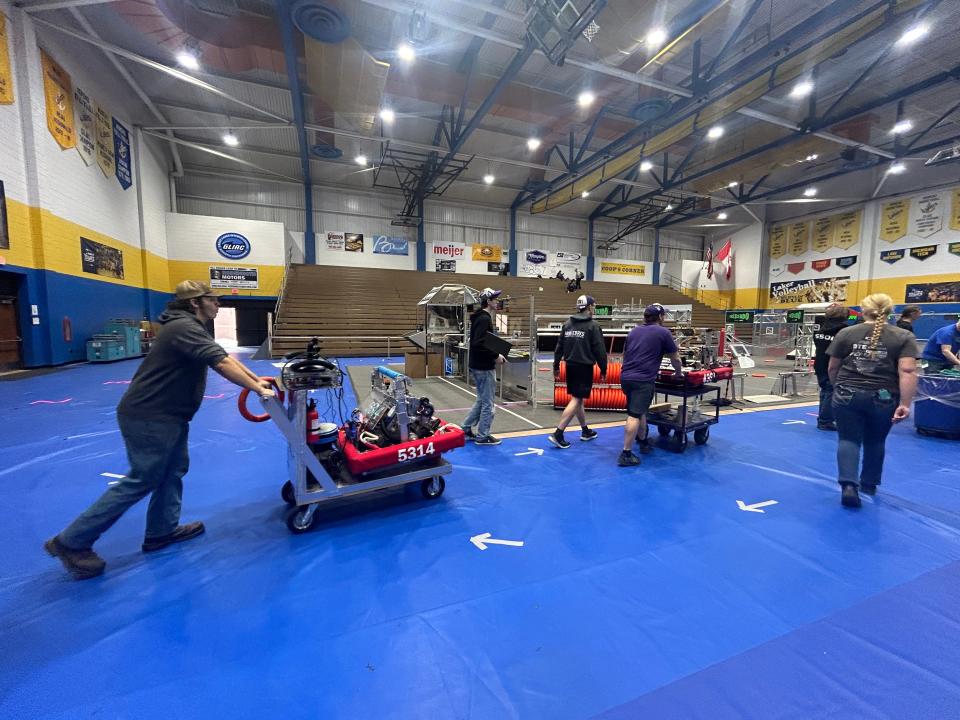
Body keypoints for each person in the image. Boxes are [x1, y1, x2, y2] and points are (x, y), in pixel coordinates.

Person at [45, 281, 277, 579]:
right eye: (213, 299)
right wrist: (257, 389)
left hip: (168, 415)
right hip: (150, 415)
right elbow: (219, 363)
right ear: (195, 303)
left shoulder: (186, 325)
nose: (217, 304)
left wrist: (257, 379)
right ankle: (71, 541)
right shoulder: (183, 327)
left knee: (173, 470)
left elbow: (224, 357)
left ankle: (161, 531)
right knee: (144, 477)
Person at [826, 293, 918, 508]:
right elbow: (907, 370)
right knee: (876, 441)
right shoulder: (903, 336)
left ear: (862, 309)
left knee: (848, 440)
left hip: (847, 393)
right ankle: (869, 483)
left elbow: (833, 367)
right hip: (883, 396)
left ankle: (849, 485)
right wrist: (905, 403)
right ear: (890, 311)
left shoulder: (846, 333)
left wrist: (836, 386)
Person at [617, 304, 683, 466]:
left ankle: (643, 440)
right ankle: (626, 453)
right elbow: (675, 358)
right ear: (660, 317)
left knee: (640, 411)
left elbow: (625, 354)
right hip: (642, 380)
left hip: (626, 377)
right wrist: (678, 372)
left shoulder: (633, 331)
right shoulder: (663, 332)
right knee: (634, 415)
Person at [549, 295, 607, 449]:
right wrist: (604, 368)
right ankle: (558, 433)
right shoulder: (593, 326)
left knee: (578, 398)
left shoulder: (567, 324)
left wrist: (556, 366)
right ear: (589, 307)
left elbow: (558, 348)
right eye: (594, 306)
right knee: (576, 399)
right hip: (583, 367)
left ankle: (585, 430)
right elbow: (600, 350)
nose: (594, 309)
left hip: (570, 366)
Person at [463, 287, 506, 446]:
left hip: (477, 365)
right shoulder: (484, 319)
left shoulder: (480, 317)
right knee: (488, 403)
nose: (497, 301)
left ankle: (466, 428)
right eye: (495, 298)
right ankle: (483, 436)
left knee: (482, 400)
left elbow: (481, 342)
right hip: (484, 367)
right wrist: (496, 356)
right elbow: (479, 343)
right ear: (488, 301)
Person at [812, 304, 848, 431]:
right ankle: (825, 421)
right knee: (830, 390)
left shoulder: (819, 327)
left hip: (820, 362)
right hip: (833, 364)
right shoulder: (844, 330)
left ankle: (823, 418)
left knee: (825, 390)